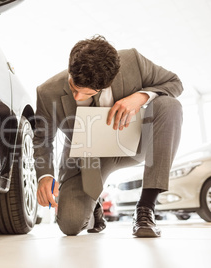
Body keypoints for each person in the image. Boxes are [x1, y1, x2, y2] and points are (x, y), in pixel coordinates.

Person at [33, 35, 183, 237]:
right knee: (70, 225)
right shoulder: (46, 92)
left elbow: (174, 83)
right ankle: (94, 204)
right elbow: (42, 139)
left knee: (169, 105)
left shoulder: (134, 62)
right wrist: (45, 175)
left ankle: (146, 208)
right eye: (73, 87)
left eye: (86, 93)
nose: (77, 97)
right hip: (87, 157)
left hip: (132, 144)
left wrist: (141, 96)